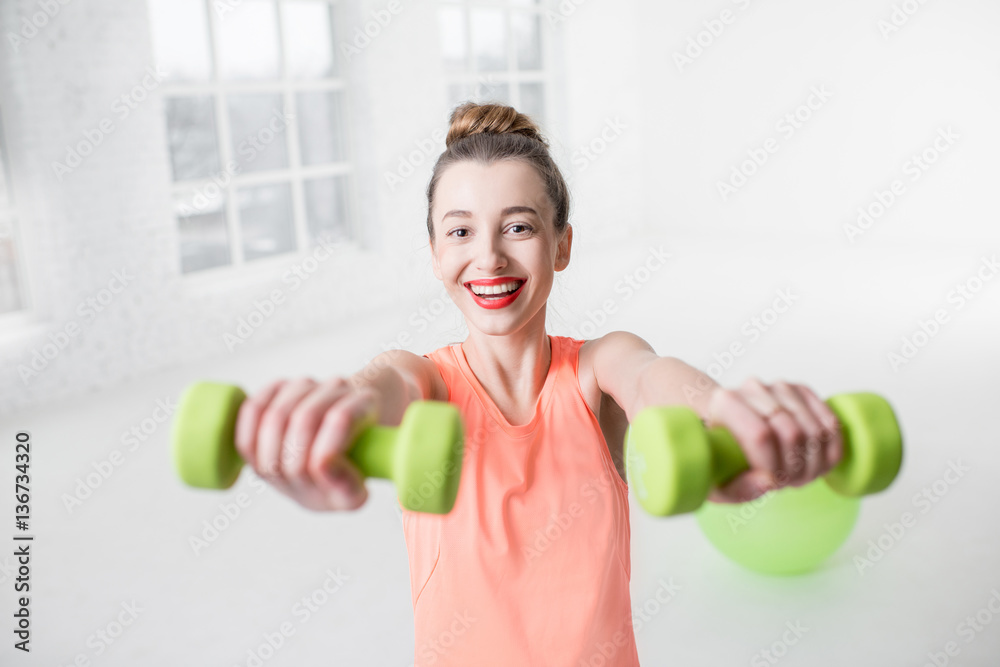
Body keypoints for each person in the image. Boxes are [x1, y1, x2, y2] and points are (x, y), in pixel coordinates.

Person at [233, 102, 844, 666]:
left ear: (562, 245)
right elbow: (378, 389)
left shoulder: (597, 372)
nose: (490, 257)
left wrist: (721, 408)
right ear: (434, 252)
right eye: (461, 231)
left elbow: (651, 376)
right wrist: (335, 411)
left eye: (519, 228)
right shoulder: (423, 383)